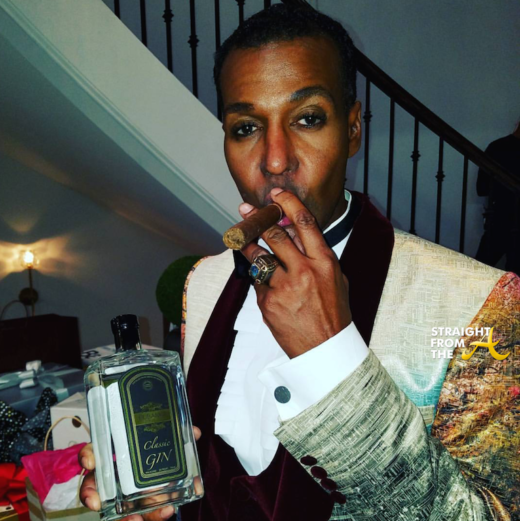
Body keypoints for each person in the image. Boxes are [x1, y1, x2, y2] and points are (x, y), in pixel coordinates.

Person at [80, 4, 520, 520]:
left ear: (352, 129)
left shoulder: (481, 304)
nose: (275, 160)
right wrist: (165, 498)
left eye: (308, 119)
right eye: (246, 127)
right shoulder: (204, 280)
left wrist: (332, 358)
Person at [475, 122, 520, 275]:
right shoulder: (498, 147)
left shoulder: (497, 147)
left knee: (481, 270)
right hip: (502, 217)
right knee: (482, 270)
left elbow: (482, 187)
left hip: (501, 215)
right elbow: (482, 187)